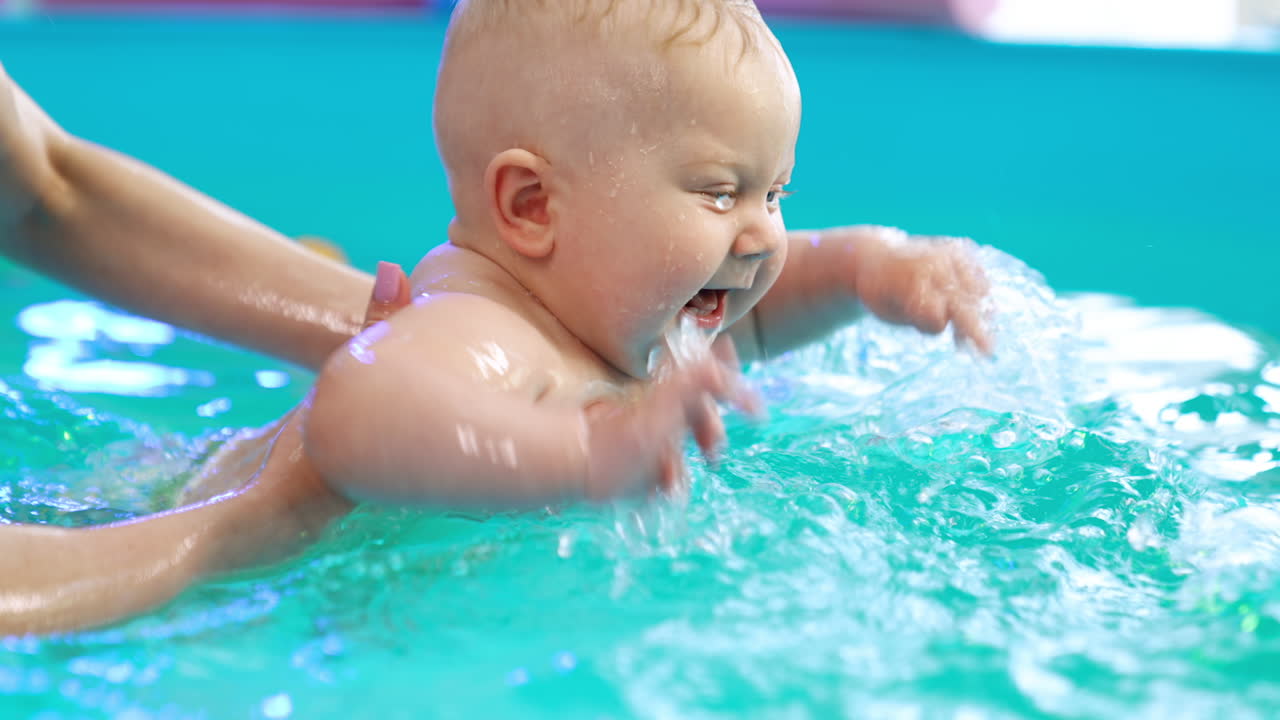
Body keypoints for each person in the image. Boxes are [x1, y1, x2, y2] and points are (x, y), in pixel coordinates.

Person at [0, 0, 992, 635]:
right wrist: (580, 456)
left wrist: (870, 267)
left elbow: (760, 317)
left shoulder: (629, 314)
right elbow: (357, 410)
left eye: (774, 195)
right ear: (531, 208)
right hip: (217, 577)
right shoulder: (483, 328)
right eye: (720, 192)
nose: (763, 237)